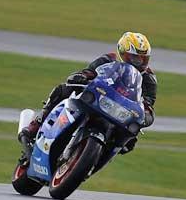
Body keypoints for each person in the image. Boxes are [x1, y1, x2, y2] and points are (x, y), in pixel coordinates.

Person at [18, 32, 156, 162]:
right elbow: (89, 71)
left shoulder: (148, 78)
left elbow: (148, 104)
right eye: (134, 57)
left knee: (130, 140)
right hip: (99, 97)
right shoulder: (109, 59)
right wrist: (82, 76)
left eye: (143, 58)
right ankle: (35, 125)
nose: (138, 62)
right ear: (122, 53)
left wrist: (147, 115)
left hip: (121, 112)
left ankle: (98, 159)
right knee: (64, 89)